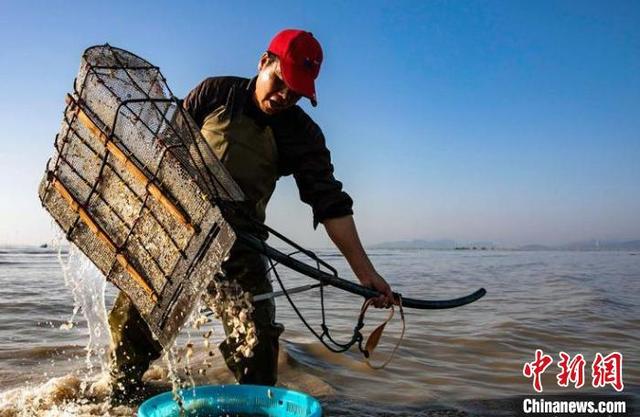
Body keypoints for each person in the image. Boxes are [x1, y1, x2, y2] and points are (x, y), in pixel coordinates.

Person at [108, 28, 395, 400]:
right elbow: (166, 151)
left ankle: (253, 402)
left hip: (242, 243)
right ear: (264, 62)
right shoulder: (215, 94)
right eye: (279, 83)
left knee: (258, 345)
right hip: (177, 230)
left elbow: (330, 204)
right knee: (137, 323)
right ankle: (119, 399)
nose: (283, 97)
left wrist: (365, 273)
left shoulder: (302, 134)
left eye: (295, 94)